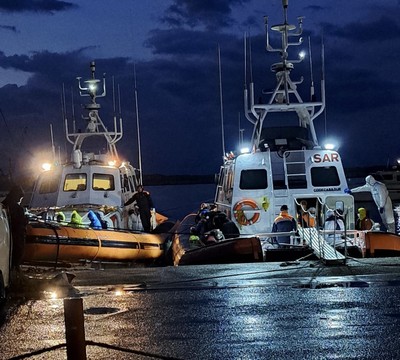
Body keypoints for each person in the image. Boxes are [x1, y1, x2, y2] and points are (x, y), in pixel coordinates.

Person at [2, 185, 27, 270]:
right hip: (15, 238)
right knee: (14, 260)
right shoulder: (17, 209)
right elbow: (20, 225)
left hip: (5, 238)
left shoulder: (3, 205)